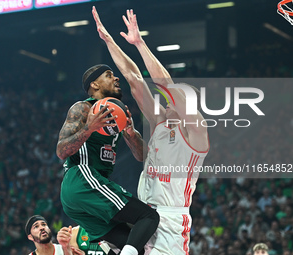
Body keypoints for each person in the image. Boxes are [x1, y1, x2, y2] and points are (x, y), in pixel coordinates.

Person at [92, 7, 209, 255]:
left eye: (175, 99)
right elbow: (135, 80)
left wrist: (141, 44)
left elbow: (166, 85)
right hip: (142, 217)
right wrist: (109, 40)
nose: (167, 102)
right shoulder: (160, 125)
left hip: (170, 224)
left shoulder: (197, 134)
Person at [56, 10, 160, 255]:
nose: (116, 78)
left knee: (135, 245)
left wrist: (131, 134)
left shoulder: (116, 114)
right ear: (95, 84)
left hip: (82, 193)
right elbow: (61, 151)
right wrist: (89, 128)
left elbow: (143, 156)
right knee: (148, 217)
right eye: (109, 75)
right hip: (83, 179)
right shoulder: (83, 108)